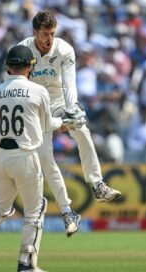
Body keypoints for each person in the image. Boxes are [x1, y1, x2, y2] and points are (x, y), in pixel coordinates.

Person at [0, 45, 81, 272]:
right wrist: (64, 122)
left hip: (0, 156)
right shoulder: (37, 90)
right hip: (25, 155)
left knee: (0, 206)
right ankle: (26, 263)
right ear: (30, 67)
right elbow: (45, 126)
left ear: (7, 67)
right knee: (36, 209)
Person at [17, 10, 122, 236]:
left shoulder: (64, 49)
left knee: (81, 128)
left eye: (53, 33)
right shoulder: (22, 49)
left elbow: (69, 85)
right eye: (45, 34)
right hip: (33, 105)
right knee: (45, 158)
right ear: (34, 32)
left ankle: (97, 184)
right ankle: (67, 211)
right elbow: (16, 85)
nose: (49, 40)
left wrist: (71, 111)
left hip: (57, 100)